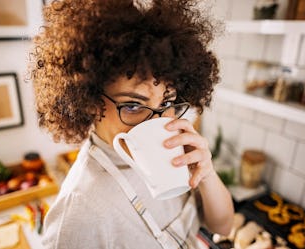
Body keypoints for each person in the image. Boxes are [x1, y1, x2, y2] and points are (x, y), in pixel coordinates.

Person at [29, 0, 234, 248]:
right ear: (90, 102)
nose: (159, 121)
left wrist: (207, 174)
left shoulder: (177, 156)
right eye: (134, 106)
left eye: (168, 101)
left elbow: (222, 227)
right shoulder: (78, 216)